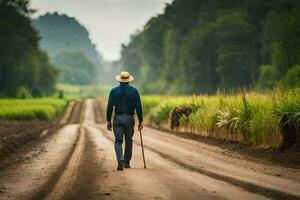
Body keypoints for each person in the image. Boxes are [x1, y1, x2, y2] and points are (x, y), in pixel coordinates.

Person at [106, 71, 143, 170]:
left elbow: (110, 107)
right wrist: (141, 120)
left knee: (118, 141)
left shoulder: (114, 91)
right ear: (128, 81)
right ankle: (126, 162)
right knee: (129, 141)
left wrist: (108, 120)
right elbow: (138, 107)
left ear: (120, 80)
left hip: (117, 118)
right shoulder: (134, 91)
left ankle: (120, 160)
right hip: (129, 119)